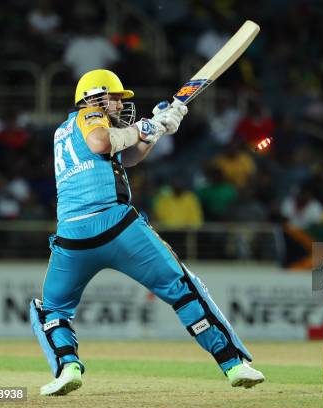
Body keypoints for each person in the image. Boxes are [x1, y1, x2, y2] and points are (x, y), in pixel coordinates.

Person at [29, 69, 264, 396]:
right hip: (117, 226)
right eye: (113, 96)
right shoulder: (91, 116)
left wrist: (156, 130)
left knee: (51, 310)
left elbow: (127, 156)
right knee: (184, 289)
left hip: (72, 237)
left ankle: (67, 366)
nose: (118, 103)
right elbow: (101, 143)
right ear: (93, 97)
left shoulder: (63, 130)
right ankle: (233, 364)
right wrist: (142, 127)